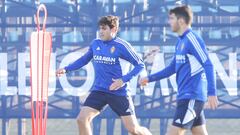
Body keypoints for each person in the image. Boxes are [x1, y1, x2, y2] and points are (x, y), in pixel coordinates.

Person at [56, 15, 152, 135]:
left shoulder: (122, 46)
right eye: (100, 28)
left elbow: (140, 65)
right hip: (99, 91)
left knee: (133, 129)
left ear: (114, 29)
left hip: (118, 92)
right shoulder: (96, 43)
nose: (101, 32)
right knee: (82, 119)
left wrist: (123, 80)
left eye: (104, 29)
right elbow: (84, 59)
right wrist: (66, 69)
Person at [139, 5, 218, 135]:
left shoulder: (192, 38)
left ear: (181, 20)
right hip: (187, 97)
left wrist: (212, 92)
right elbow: (171, 68)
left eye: (171, 18)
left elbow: (208, 64)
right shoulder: (180, 41)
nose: (169, 22)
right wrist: (149, 78)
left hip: (191, 97)